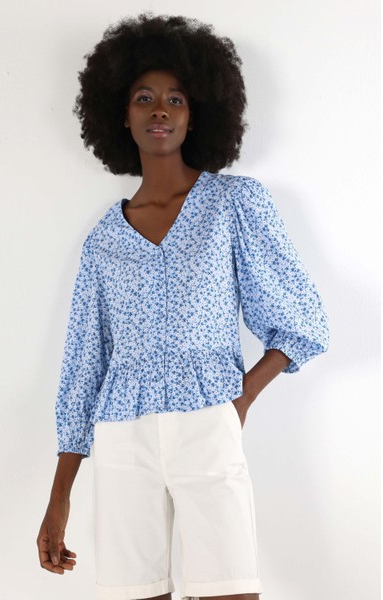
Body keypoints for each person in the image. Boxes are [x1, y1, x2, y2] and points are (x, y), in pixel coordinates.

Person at [37, 12, 330, 600]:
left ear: (196, 114)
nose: (160, 110)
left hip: (208, 423)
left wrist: (238, 401)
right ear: (121, 115)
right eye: (144, 98)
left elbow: (302, 319)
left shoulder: (233, 204)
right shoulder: (104, 240)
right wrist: (59, 496)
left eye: (175, 98)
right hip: (122, 438)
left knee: (231, 590)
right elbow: (83, 369)